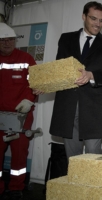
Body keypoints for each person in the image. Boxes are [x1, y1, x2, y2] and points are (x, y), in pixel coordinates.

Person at [49, 1, 102, 162]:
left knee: (93, 158)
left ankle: (94, 188)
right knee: (73, 160)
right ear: (83, 16)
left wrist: (91, 75)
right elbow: (59, 69)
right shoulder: (66, 39)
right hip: (67, 107)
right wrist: (44, 85)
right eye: (94, 19)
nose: (98, 24)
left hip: (93, 109)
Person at [0, 23, 37, 200]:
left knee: (20, 153)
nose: (7, 43)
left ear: (15, 40)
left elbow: (37, 84)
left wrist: (30, 100)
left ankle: (16, 187)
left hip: (21, 116)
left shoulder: (27, 58)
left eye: (10, 39)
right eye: (2, 40)